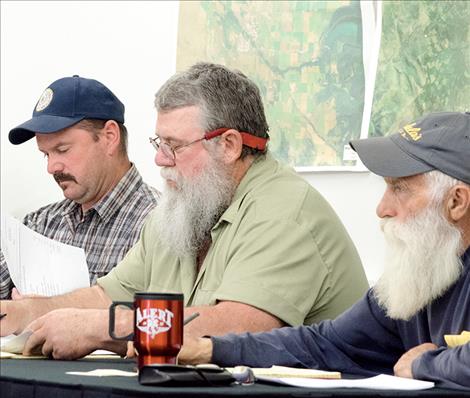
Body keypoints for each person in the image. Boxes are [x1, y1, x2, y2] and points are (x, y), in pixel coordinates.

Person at [0, 63, 367, 359]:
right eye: (159, 143)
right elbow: (105, 296)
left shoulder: (285, 211)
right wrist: (29, 313)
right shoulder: (182, 210)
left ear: (228, 145)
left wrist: (100, 329)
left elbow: (238, 327)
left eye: (174, 145)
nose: (160, 159)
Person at [179, 111, 470, 389]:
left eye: (400, 189)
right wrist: (209, 349)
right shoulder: (421, 273)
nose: (382, 209)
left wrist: (424, 365)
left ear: (456, 202)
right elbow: (324, 344)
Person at [0, 75, 159, 299]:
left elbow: (161, 325)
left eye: (63, 149)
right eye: (46, 154)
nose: (52, 167)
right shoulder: (40, 224)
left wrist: (41, 312)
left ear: (110, 137)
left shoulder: (160, 228)